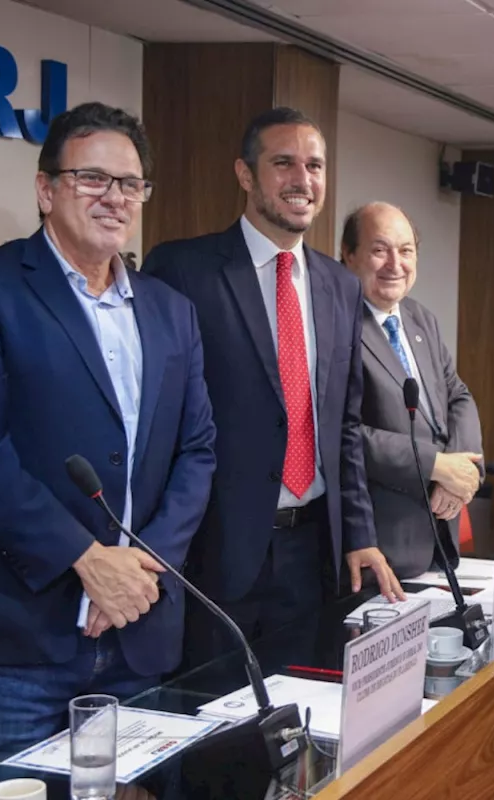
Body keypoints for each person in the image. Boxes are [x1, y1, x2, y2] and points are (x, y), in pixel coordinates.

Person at [0, 102, 216, 778]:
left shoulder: (173, 311)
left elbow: (198, 451)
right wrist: (85, 557)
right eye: (92, 179)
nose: (114, 198)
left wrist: (143, 568)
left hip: (142, 638)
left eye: (130, 184)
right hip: (16, 648)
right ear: (46, 189)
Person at [143, 107, 403, 665]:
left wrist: (358, 532)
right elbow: (158, 424)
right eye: (283, 163)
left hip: (312, 554)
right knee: (214, 727)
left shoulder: (339, 285)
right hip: (214, 554)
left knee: (296, 727)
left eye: (315, 165)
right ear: (245, 174)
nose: (302, 180)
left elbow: (345, 425)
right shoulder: (183, 271)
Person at [339, 202, 484, 579]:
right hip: (378, 550)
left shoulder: (420, 318)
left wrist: (460, 467)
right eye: (379, 249)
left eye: (406, 250)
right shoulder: (335, 325)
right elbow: (342, 432)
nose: (395, 263)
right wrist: (435, 465)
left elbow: (458, 395)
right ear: (348, 254)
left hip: (438, 539)